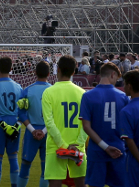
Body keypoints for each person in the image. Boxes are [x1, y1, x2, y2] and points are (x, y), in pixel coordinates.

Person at [80, 62, 129, 187]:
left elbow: (86, 126)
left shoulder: (87, 96)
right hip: (119, 150)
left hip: (96, 151)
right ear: (113, 74)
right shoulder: (123, 96)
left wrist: (105, 147)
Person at [42, 55, 88, 187]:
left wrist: (63, 145)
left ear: (58, 69)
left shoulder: (48, 92)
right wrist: (78, 144)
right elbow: (87, 123)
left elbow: (49, 123)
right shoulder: (83, 93)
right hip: (77, 146)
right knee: (81, 184)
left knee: (55, 184)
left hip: (56, 146)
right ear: (74, 72)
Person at [0, 56, 23, 187]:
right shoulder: (18, 87)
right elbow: (22, 110)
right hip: (14, 123)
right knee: (13, 158)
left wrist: (3, 125)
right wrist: (17, 126)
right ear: (11, 69)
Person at [16, 60, 52, 187]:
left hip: (31, 132)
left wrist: (32, 130)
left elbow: (21, 113)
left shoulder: (27, 90)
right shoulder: (53, 90)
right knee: (46, 167)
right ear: (49, 73)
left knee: (25, 165)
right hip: (48, 132)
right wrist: (44, 131)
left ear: (35, 73)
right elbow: (55, 116)